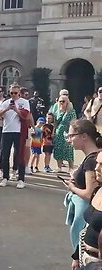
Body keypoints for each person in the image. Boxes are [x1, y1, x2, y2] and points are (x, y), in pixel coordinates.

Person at [63, 120, 102, 252]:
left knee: (82, 251)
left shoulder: (92, 160)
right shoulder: (93, 158)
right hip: (88, 214)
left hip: (87, 216)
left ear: (84, 136)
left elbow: (89, 194)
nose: (69, 140)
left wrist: (72, 187)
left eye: (71, 135)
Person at [69, 149, 102, 269]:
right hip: (86, 258)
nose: (97, 168)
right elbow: (88, 227)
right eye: (97, 163)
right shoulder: (97, 191)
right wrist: (77, 256)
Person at [0, 84, 31, 189]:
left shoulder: (24, 102)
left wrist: (16, 110)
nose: (14, 95)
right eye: (11, 93)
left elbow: (26, 116)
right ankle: (5, 177)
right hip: (7, 130)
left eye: (16, 93)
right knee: (4, 155)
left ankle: (21, 179)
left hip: (19, 131)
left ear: (19, 93)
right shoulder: (5, 103)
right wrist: (7, 109)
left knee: (19, 155)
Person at [54, 94, 77, 173]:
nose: (61, 103)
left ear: (67, 102)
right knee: (58, 148)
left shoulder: (71, 111)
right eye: (60, 101)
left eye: (63, 101)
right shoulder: (58, 111)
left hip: (67, 131)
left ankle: (71, 168)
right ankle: (59, 167)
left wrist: (71, 133)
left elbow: (74, 122)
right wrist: (54, 132)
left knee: (68, 149)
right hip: (59, 132)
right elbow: (56, 123)